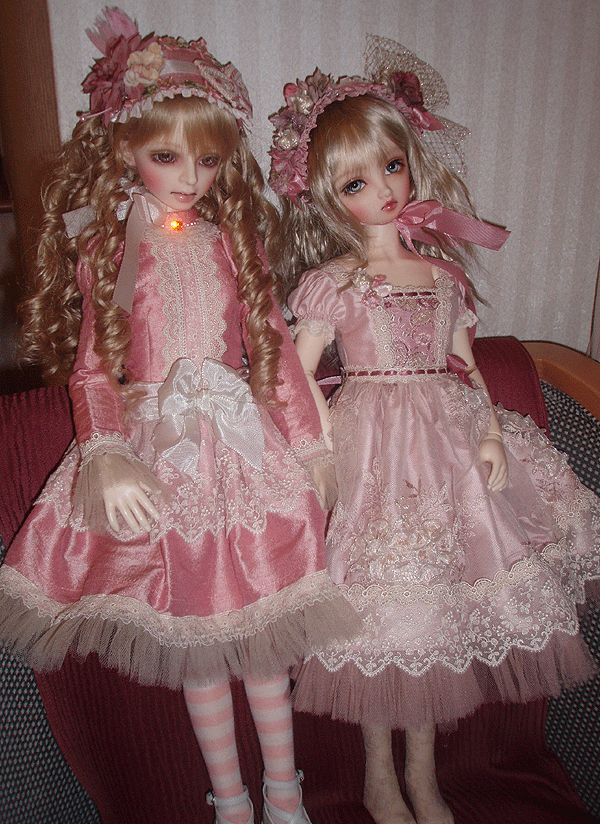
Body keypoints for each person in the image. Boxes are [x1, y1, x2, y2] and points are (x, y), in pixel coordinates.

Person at [0, 10, 359, 824]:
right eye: (167, 156)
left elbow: (272, 347)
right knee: (200, 646)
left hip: (243, 447)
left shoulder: (233, 242)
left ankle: (285, 794)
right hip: (161, 449)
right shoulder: (115, 245)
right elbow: (94, 367)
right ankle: (230, 801)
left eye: (207, 158)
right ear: (124, 149)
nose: (190, 177)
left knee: (261, 638)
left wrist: (312, 445)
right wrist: (104, 451)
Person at [268, 39, 600, 824]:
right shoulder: (333, 282)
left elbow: (466, 367)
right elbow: (294, 374)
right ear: (327, 196)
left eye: (392, 167)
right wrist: (319, 444)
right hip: (371, 451)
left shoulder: (444, 277)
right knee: (383, 614)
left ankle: (423, 775)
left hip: (446, 443)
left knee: (434, 616)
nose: (383, 190)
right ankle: (379, 776)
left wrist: (490, 434)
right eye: (356, 182)